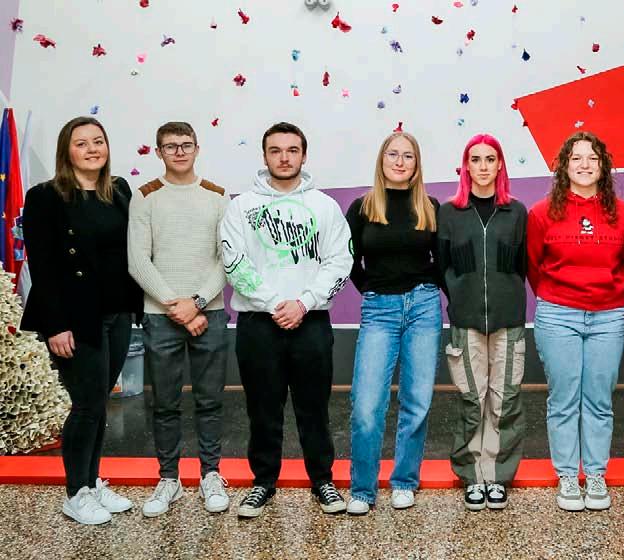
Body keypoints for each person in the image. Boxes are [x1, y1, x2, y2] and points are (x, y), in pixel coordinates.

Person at [221, 122, 352, 518]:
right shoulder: (241, 206)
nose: (284, 157)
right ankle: (263, 483)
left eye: (292, 150)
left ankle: (323, 481)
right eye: (275, 150)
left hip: (311, 323)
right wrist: (277, 303)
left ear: (303, 155)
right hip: (258, 324)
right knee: (262, 410)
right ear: (264, 156)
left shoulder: (324, 206)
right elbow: (234, 262)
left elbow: (339, 260)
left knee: (315, 409)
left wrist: (303, 303)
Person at [21, 116, 143, 525]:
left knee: (99, 402)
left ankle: (91, 482)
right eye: (82, 143)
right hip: (74, 319)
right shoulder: (45, 196)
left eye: (98, 141)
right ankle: (75, 493)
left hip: (117, 313)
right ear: (66, 151)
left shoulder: (119, 190)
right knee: (86, 404)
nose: (92, 149)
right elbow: (42, 266)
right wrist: (55, 325)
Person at [527, 131, 624, 512]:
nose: (585, 164)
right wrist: (560, 298)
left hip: (608, 316)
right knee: (564, 399)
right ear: (564, 166)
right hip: (558, 315)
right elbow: (534, 266)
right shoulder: (542, 212)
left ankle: (595, 473)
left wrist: (602, 295)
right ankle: (567, 477)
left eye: (593, 158)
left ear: (603, 166)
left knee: (599, 400)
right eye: (576, 158)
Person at [127, 121, 230, 517]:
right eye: (171, 146)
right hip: (161, 317)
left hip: (210, 314)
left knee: (210, 400)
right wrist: (178, 307)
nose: (180, 152)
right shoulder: (145, 196)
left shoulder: (217, 195)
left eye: (186, 145)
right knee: (165, 403)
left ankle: (211, 474)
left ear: (197, 148)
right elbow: (138, 260)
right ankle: (168, 478)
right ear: (159, 152)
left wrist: (198, 302)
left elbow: (226, 259)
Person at [345, 131, 443, 515]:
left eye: (408, 156)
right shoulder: (363, 207)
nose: (400, 162)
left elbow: (442, 262)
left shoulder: (429, 207)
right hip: (379, 311)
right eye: (393, 154)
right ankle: (362, 489)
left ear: (417, 164)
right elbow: (349, 260)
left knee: (417, 401)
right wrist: (371, 289)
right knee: (367, 404)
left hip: (423, 307)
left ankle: (404, 481)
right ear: (381, 160)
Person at [438, 133, 528, 511]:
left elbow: (523, 265)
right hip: (466, 322)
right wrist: (461, 298)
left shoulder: (516, 212)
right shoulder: (449, 213)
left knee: (504, 399)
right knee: (472, 398)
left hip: (508, 321)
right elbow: (442, 266)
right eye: (475, 159)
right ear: (466, 166)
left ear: (500, 164)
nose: (483, 166)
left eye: (490, 159)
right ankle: (473, 476)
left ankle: (497, 476)